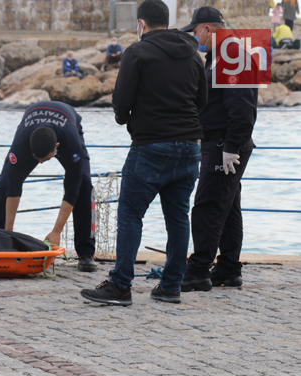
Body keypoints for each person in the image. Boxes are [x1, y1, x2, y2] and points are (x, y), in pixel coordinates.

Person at [80, 0, 207, 306]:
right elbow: (202, 100)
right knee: (178, 217)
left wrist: (126, 119)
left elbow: (121, 100)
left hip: (150, 145)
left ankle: (121, 285)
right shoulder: (193, 52)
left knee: (130, 214)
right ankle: (172, 285)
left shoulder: (137, 52)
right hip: (190, 146)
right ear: (168, 20)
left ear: (141, 24)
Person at [180, 7, 258, 292]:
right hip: (220, 142)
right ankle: (227, 268)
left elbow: (242, 106)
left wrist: (232, 146)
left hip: (224, 144)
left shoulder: (232, 55)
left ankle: (198, 270)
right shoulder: (219, 56)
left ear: (208, 29)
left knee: (207, 206)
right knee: (228, 207)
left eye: (196, 32)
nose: (195, 38)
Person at [0, 101, 98, 272]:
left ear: (57, 148)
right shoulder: (21, 144)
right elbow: (13, 188)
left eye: (44, 159)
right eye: (36, 158)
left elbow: (72, 190)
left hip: (68, 122)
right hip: (31, 122)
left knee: (83, 182)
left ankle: (86, 253)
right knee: (4, 183)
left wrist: (56, 231)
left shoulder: (70, 143)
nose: (40, 163)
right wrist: (9, 236)